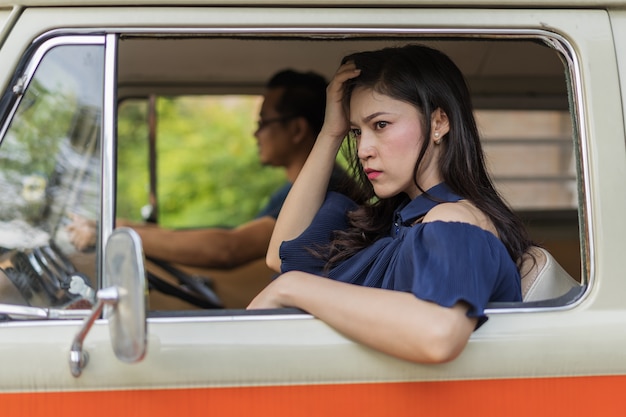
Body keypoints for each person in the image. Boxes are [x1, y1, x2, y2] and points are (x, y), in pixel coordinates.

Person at [248, 44, 533, 364]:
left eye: (381, 125)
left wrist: (293, 288)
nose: (363, 149)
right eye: (356, 132)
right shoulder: (394, 222)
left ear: (439, 122)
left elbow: (438, 336)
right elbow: (279, 256)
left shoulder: (454, 220)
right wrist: (331, 132)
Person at [67, 69, 354, 269]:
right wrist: (125, 226)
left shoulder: (326, 192)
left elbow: (229, 248)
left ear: (297, 129)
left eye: (263, 123)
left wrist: (115, 233)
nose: (255, 134)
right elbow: (229, 235)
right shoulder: (295, 190)